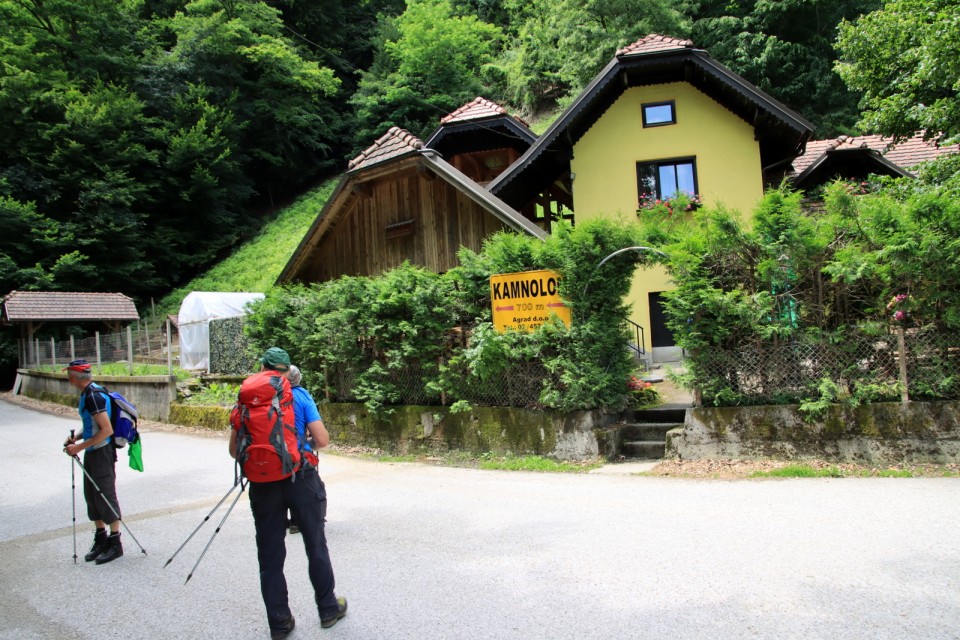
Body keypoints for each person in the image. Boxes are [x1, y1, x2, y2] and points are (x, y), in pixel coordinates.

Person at [229, 347, 347, 638]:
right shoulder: (300, 396)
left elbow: (234, 450)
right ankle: (328, 609)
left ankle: (280, 623)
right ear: (287, 370)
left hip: (263, 483)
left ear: (262, 368)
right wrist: (300, 444)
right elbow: (322, 439)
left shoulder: (246, 401)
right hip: (302, 477)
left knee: (270, 556)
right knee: (315, 544)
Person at [63, 359, 124, 565]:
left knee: (105, 494)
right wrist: (78, 439)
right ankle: (101, 538)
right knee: (91, 495)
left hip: (101, 452)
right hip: (92, 450)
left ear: (73, 377)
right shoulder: (91, 392)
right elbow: (93, 425)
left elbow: (107, 430)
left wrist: (77, 447)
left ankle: (115, 542)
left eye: (68, 374)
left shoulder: (93, 396)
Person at [285, 364, 320, 535]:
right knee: (301, 482)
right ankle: (297, 521)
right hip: (298, 454)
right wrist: (310, 444)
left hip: (269, 455)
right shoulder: (302, 396)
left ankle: (278, 519)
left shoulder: (264, 396)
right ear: (298, 378)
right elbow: (321, 439)